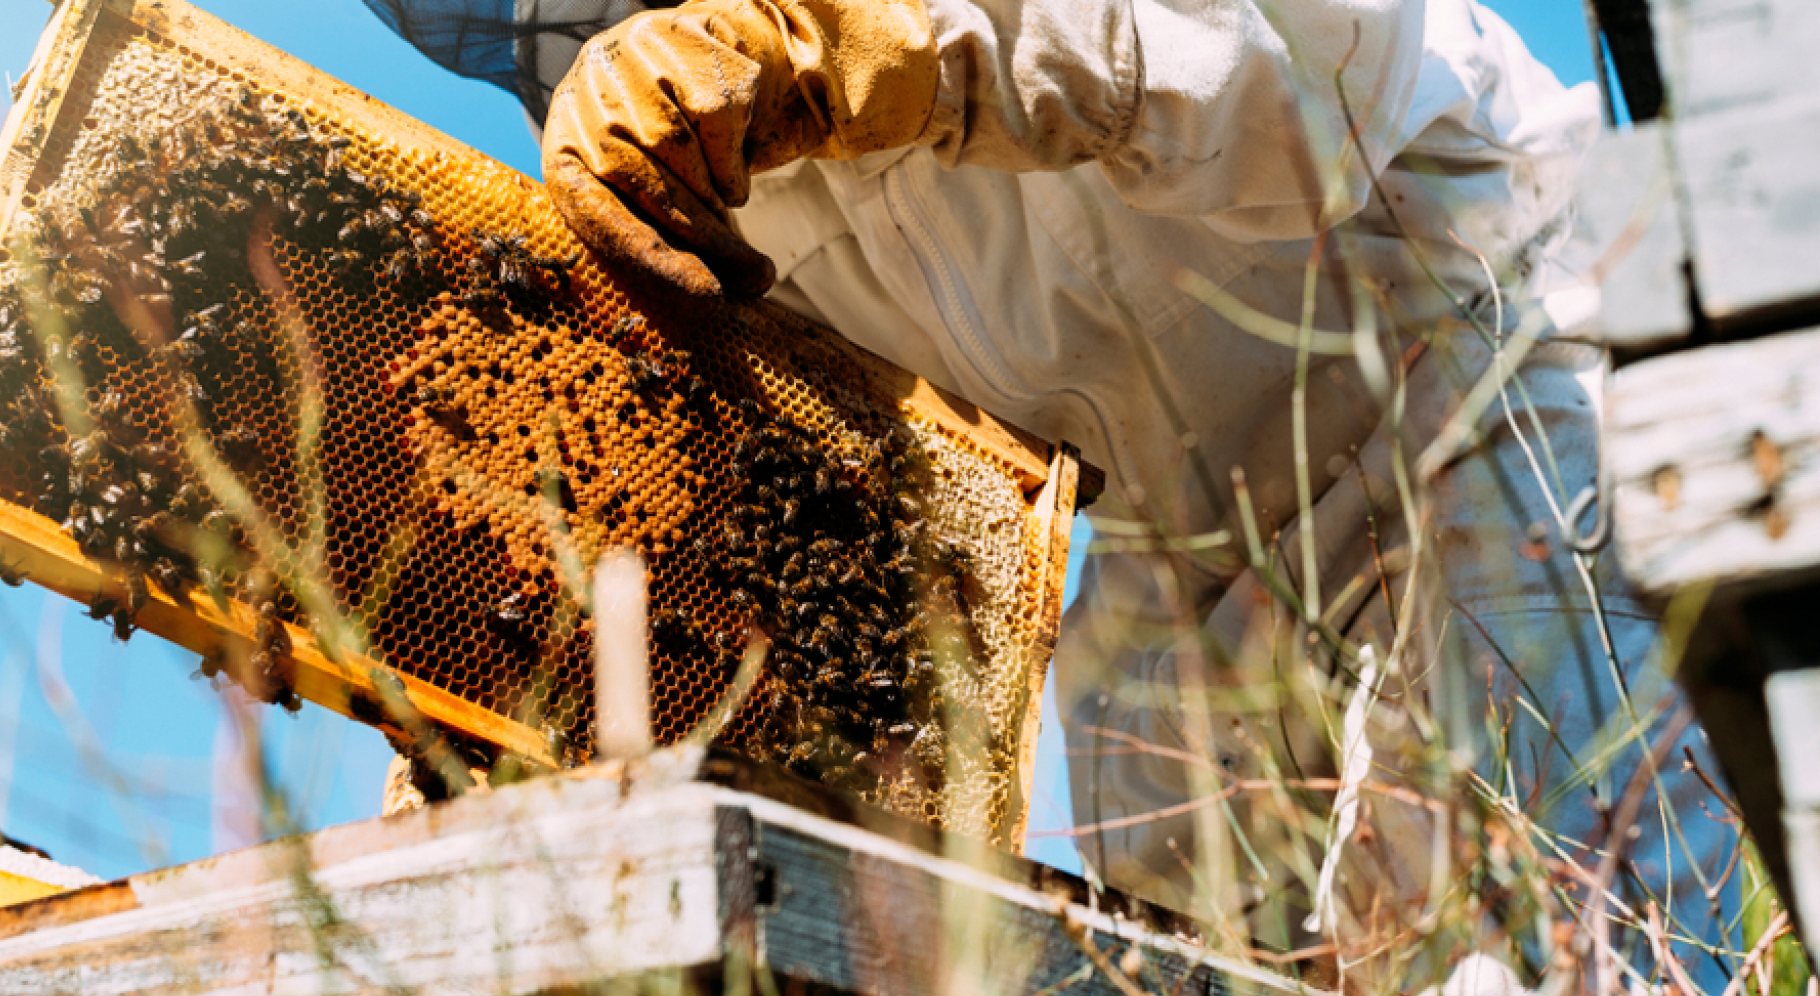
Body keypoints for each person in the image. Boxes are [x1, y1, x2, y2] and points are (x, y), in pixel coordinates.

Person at [366, 0, 1744, 989]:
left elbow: (1287, 61)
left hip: (1467, 351)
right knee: (1149, 962)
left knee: (1582, 947)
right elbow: (793, 478)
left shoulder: (753, 51)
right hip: (1177, 536)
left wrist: (857, 38)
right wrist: (518, 656)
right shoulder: (670, 125)